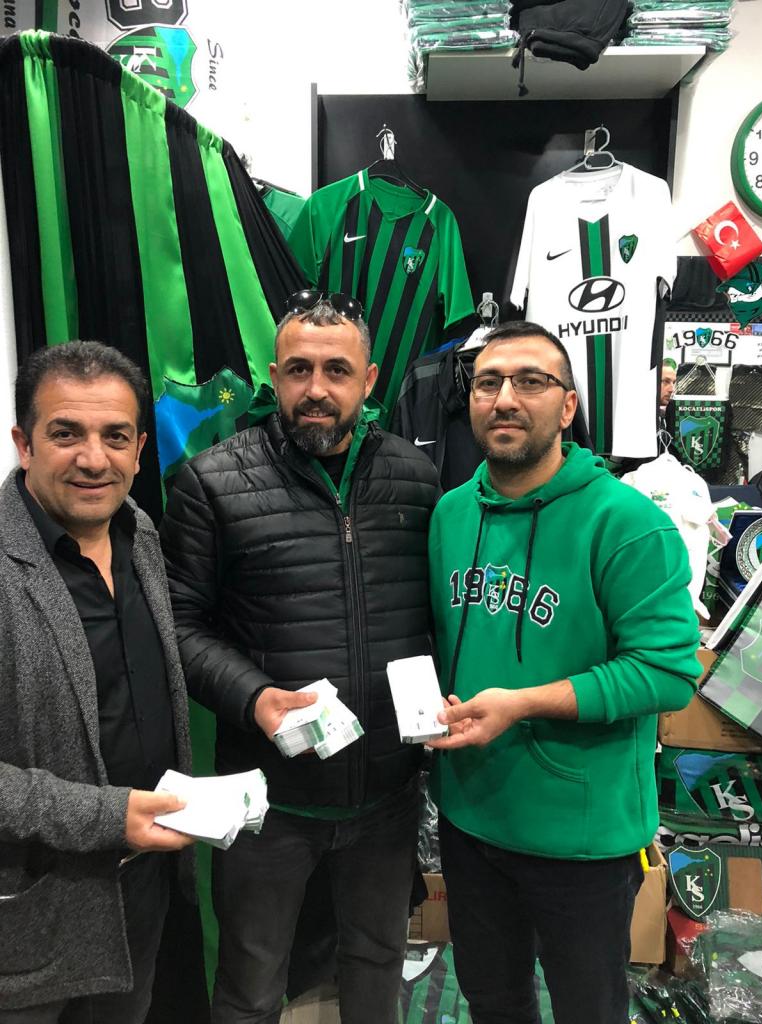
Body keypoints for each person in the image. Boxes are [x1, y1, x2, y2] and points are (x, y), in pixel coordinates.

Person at [160, 290, 440, 1024]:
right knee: (251, 986)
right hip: (269, 804)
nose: (317, 389)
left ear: (369, 380)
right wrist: (254, 696)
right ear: (275, 376)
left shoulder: (417, 479)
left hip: (387, 798)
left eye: (336, 370)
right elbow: (178, 625)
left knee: (376, 968)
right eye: (299, 370)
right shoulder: (210, 482)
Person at [426, 321, 701, 1024]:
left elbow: (668, 674)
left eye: (531, 381)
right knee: (492, 1001)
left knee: (588, 1009)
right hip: (470, 817)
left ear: (569, 405)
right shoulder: (450, 514)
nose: (505, 398)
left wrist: (523, 703)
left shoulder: (627, 522)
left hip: (581, 836)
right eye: (488, 383)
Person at [0, 342, 194, 1023]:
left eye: (115, 436)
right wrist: (107, 817)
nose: (93, 459)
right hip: (29, 915)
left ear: (139, 450)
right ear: (24, 443)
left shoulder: (140, 533)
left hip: (140, 889)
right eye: (66, 434)